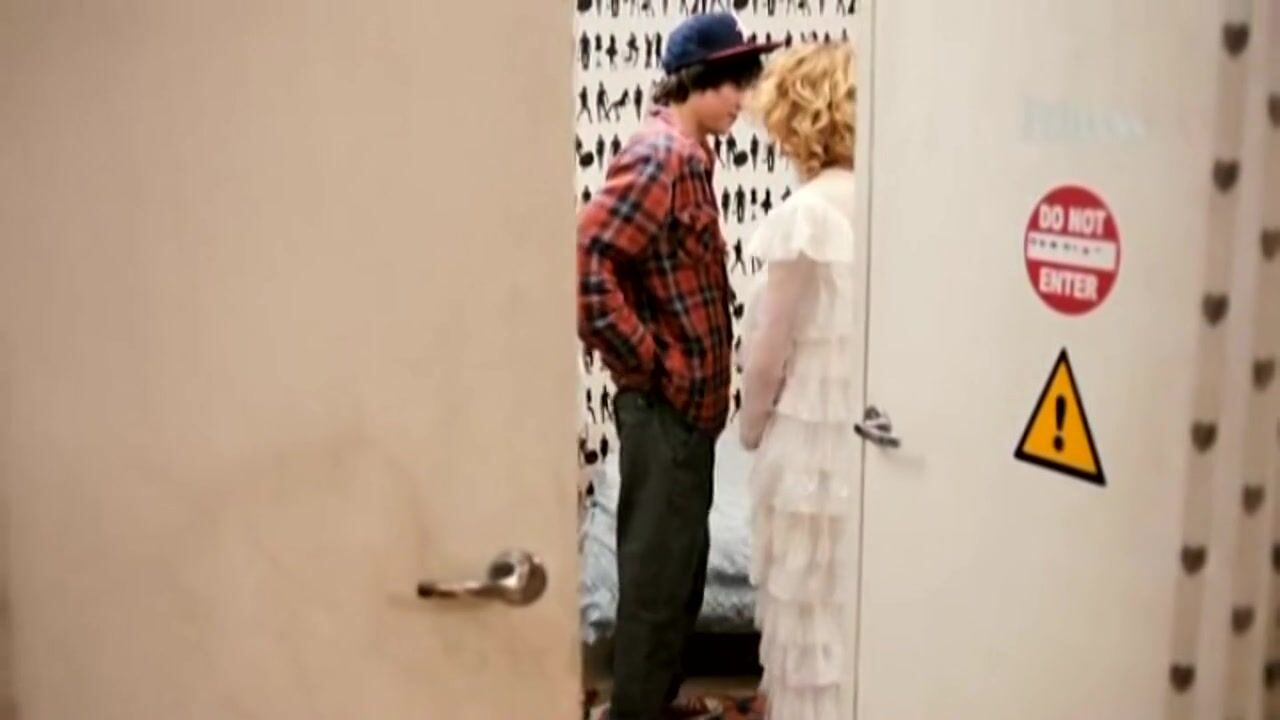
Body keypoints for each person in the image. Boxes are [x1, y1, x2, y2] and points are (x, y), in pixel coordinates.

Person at [577, 12, 780, 720]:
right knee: (656, 588)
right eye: (731, 83)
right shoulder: (660, 156)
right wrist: (652, 364)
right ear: (693, 80)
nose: (741, 99)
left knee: (680, 578)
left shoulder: (693, 159)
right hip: (665, 410)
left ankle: (655, 703)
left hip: (691, 415)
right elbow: (588, 264)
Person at [737, 41, 858, 720]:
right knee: (862, 611)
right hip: (877, 441)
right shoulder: (894, 207)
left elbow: (768, 350)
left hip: (811, 451)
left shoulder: (807, 213)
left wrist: (751, 427)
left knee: (808, 613)